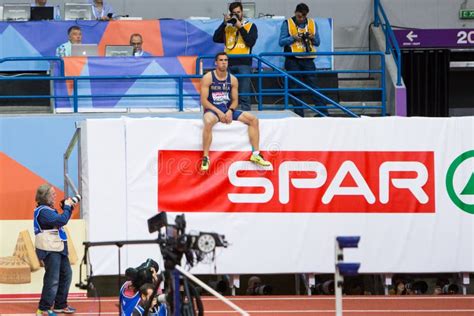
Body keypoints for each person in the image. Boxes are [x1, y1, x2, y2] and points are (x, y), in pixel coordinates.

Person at [200, 52, 270, 171]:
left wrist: (230, 111)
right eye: (221, 60)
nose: (223, 63)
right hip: (213, 110)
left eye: (226, 60)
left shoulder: (233, 79)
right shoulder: (208, 78)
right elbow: (204, 101)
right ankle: (205, 157)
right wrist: (220, 112)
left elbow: (235, 101)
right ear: (216, 62)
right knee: (207, 121)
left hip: (227, 110)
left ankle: (256, 154)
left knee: (253, 120)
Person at [34, 184, 76, 315]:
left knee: (66, 275)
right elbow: (61, 221)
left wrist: (67, 209)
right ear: (45, 196)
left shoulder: (49, 210)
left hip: (57, 247)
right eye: (52, 194)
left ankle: (60, 304)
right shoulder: (43, 211)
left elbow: (62, 220)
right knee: (52, 279)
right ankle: (44, 308)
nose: (55, 195)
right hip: (50, 249)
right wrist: (67, 208)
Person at [279, 3, 327, 117]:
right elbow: (281, 42)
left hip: (308, 59)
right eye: (299, 16)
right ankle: (299, 114)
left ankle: (323, 113)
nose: (301, 19)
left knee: (314, 87)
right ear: (295, 13)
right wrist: (293, 38)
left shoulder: (312, 23)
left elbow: (318, 42)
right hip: (292, 60)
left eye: (303, 17)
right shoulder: (287, 23)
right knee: (295, 88)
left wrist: (311, 37)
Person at [213, 1, 257, 111]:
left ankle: (246, 114)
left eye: (238, 12)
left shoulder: (250, 26)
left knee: (244, 93)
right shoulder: (228, 27)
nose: (236, 15)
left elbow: (250, 42)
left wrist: (240, 27)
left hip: (244, 64)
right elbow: (215, 38)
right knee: (228, 92)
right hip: (228, 64)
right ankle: (227, 114)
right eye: (234, 13)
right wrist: (224, 23)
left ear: (242, 12)